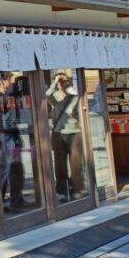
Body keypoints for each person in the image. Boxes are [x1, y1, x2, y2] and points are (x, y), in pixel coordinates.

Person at [47, 72, 87, 201]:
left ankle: (77, 188)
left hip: (75, 132)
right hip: (59, 133)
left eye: (66, 81)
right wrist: (55, 81)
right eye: (61, 81)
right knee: (60, 164)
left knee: (76, 163)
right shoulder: (55, 97)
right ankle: (61, 190)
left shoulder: (74, 96)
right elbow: (47, 94)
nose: (64, 83)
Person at [0, 74, 26, 210]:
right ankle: (0, 202)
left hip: (11, 136)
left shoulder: (6, 96)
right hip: (5, 136)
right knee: (6, 169)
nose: (11, 82)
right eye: (9, 79)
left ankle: (16, 199)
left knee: (16, 168)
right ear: (2, 81)